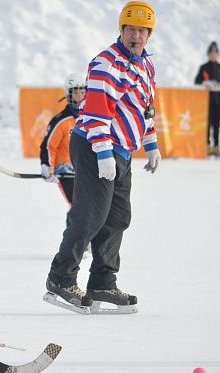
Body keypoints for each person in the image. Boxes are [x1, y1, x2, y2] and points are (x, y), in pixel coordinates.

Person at [44, 1, 160, 314]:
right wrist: (104, 153)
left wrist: (151, 144)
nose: (136, 35)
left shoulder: (146, 66)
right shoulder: (106, 63)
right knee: (90, 216)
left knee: (118, 217)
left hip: (121, 150)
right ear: (121, 30)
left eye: (142, 30)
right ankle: (61, 277)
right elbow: (96, 114)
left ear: (149, 34)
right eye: (130, 29)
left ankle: (103, 282)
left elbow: (145, 108)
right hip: (95, 145)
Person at [40, 73, 86, 206]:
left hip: (87, 173)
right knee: (78, 209)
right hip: (67, 174)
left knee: (92, 211)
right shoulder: (61, 120)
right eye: (76, 93)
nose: (80, 97)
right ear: (68, 94)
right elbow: (49, 146)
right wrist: (47, 165)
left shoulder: (91, 119)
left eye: (83, 93)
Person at [194, 42, 220, 158]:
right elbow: (197, 82)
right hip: (207, 102)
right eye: (211, 53)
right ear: (208, 54)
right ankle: (207, 146)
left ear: (218, 54)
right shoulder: (204, 67)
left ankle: (216, 146)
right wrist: (205, 83)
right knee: (207, 124)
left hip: (219, 101)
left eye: (215, 53)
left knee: (217, 125)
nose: (213, 55)